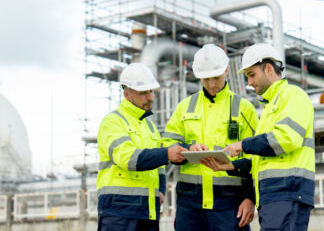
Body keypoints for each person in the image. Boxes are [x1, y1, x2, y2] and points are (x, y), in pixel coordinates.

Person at [201, 43, 315, 231]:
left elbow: (287, 138)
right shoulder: (270, 107)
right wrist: (232, 166)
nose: (250, 83)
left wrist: (242, 145)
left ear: (268, 69)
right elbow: (262, 159)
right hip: (275, 195)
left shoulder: (293, 95)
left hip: (287, 192)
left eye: (252, 75)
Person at [162, 44, 259, 231]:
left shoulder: (244, 108)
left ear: (226, 70)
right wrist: (188, 149)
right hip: (190, 207)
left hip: (230, 205)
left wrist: (250, 198)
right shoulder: (185, 107)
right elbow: (167, 143)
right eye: (206, 79)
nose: (212, 84)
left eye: (216, 77)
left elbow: (257, 158)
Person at [96, 63, 189, 231]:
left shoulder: (150, 127)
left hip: (148, 211)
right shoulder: (112, 122)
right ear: (126, 94)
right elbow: (129, 159)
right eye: (143, 93)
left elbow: (159, 167)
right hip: (119, 212)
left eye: (151, 91)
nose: (150, 97)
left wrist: (160, 190)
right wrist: (167, 153)